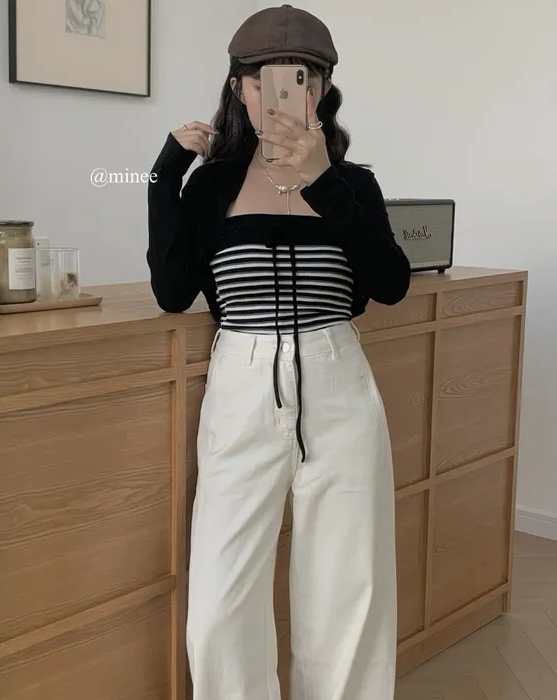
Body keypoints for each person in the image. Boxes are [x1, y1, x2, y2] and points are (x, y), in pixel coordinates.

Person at [147, 5, 411, 699]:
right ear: (239, 87)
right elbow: (172, 291)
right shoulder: (213, 185)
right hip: (243, 379)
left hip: (338, 376)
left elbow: (390, 284)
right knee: (221, 596)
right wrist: (166, 171)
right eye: (264, 79)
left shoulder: (353, 184)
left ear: (321, 90)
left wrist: (322, 180)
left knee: (349, 584)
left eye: (304, 79)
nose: (283, 95)